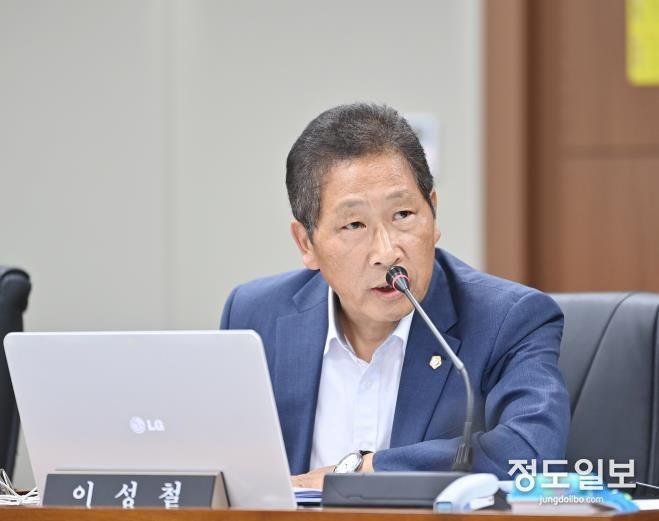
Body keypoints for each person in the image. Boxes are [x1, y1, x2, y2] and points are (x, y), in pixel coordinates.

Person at [220, 103, 570, 489]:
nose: (386, 253)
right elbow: (217, 466)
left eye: (403, 215)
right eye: (354, 224)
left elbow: (531, 454)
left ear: (433, 213)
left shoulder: (508, 320)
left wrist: (365, 470)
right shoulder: (256, 317)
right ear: (306, 243)